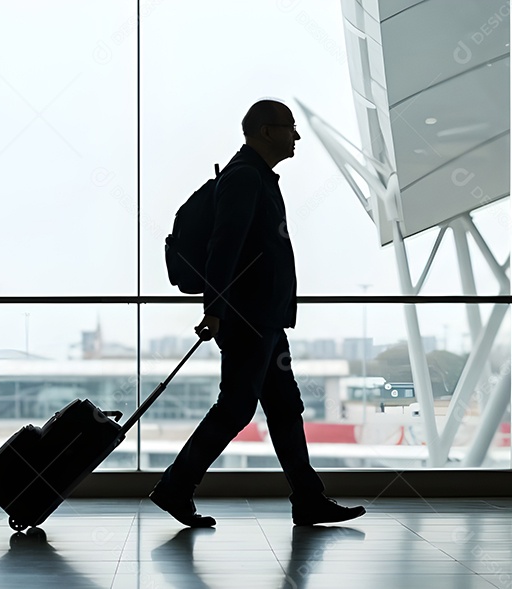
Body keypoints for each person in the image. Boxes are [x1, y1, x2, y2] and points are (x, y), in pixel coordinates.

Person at [150, 99, 366, 528]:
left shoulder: (256, 177)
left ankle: (308, 498)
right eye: (289, 127)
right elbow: (223, 246)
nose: (297, 136)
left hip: (262, 316)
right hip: (247, 317)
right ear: (265, 131)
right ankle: (176, 487)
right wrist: (214, 309)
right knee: (236, 407)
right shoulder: (245, 178)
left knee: (285, 408)